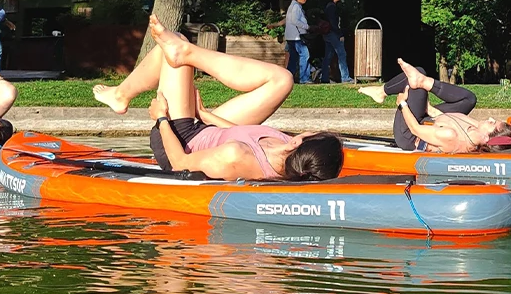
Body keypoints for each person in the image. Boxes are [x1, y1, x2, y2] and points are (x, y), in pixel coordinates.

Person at [93, 15, 343, 181]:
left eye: (314, 132)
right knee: (282, 79)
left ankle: (123, 94)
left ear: (299, 142)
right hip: (208, 128)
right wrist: (206, 116)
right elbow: (242, 133)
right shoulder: (286, 147)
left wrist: (161, 119)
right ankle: (175, 59)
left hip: (180, 140)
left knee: (171, 46)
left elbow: (180, 163)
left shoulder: (235, 157)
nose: (310, 130)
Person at [361, 59, 511, 153]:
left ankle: (381, 92)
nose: (490, 118)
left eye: (493, 124)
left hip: (409, 134)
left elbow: (415, 129)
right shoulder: (475, 129)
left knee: (417, 75)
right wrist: (428, 108)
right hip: (430, 121)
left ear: (487, 137)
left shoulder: (452, 136)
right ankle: (422, 81)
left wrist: (402, 104)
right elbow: (447, 118)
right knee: (469, 99)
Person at [320, 0, 355, 84]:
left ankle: (324, 77)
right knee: (342, 54)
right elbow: (333, 23)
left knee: (328, 56)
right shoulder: (332, 7)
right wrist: (340, 34)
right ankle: (345, 77)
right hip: (333, 34)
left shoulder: (328, 6)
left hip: (328, 34)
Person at [283, 0, 310, 84]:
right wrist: (307, 27)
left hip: (291, 36)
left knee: (293, 58)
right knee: (305, 55)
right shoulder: (296, 7)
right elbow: (295, 20)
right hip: (296, 36)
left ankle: (288, 78)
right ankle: (304, 78)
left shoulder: (293, 6)